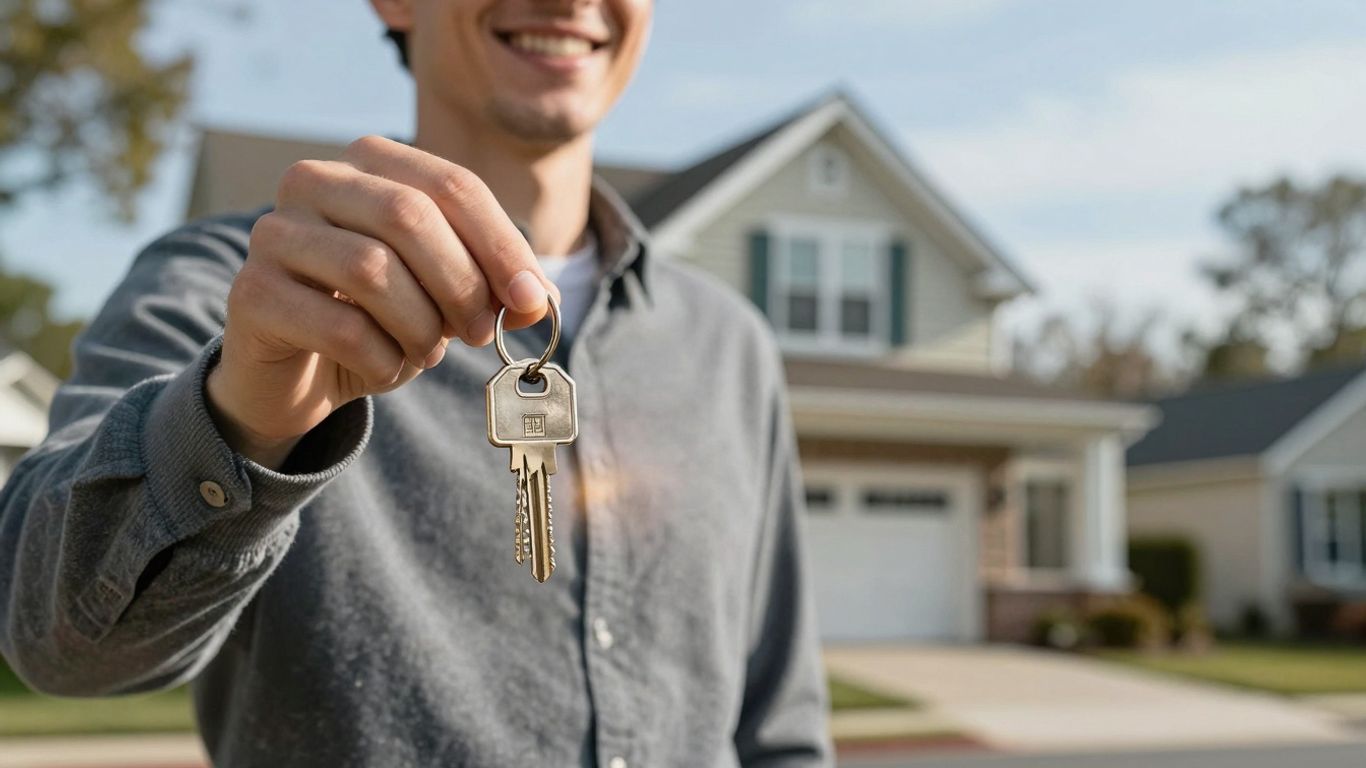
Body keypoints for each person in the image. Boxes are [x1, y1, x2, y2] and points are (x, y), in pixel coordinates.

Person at [0, 0, 832, 765]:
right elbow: (58, 640)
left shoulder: (732, 346)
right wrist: (241, 422)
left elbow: (780, 727)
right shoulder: (236, 290)